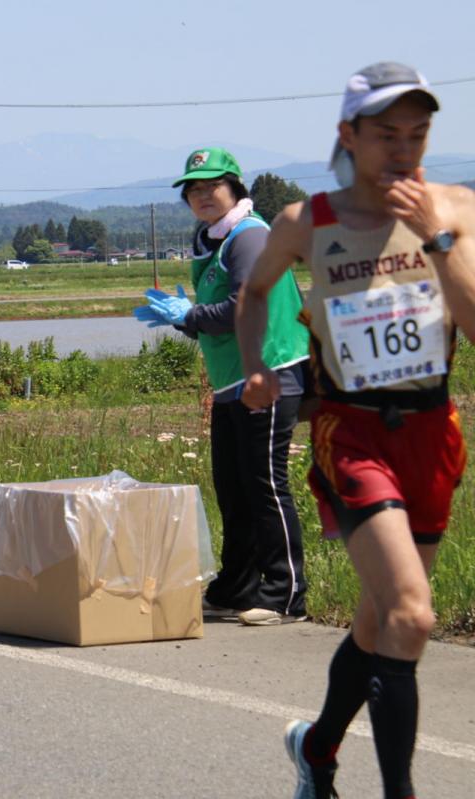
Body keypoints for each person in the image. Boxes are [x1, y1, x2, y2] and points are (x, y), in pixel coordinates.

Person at [237, 62, 475, 799]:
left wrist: (437, 238)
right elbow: (254, 291)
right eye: (384, 135)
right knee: (411, 614)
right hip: (354, 430)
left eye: (417, 132)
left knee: (379, 620)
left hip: (432, 428)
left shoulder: (456, 210)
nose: (402, 149)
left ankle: (317, 746)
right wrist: (255, 366)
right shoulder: (308, 222)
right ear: (349, 136)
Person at [135, 146, 310, 627]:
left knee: (266, 484)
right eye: (193, 189)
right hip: (233, 379)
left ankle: (285, 592)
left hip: (271, 372)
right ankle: (237, 587)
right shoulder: (215, 239)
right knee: (233, 487)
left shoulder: (250, 237)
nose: (202, 195)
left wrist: (189, 316)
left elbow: (244, 307)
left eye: (212, 186)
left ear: (235, 188)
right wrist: (188, 320)